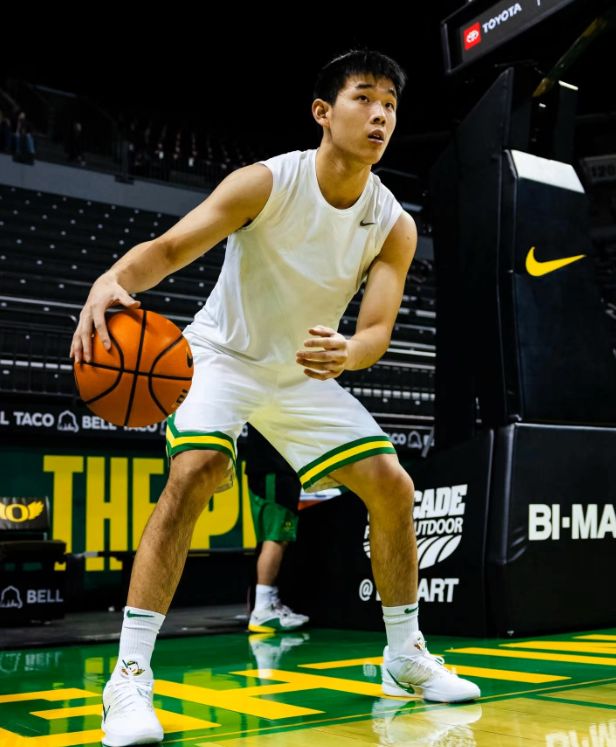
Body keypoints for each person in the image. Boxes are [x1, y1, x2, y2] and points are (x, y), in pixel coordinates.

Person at [71, 49, 480, 747]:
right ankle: (129, 680)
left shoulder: (394, 224)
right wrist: (113, 279)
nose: (380, 115)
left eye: (390, 104)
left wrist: (349, 352)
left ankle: (405, 655)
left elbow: (376, 330)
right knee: (197, 471)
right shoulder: (266, 182)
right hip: (221, 357)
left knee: (394, 486)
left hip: (300, 373)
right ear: (323, 111)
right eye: (364, 97)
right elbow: (171, 248)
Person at [244, 423, 309, 632]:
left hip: (272, 468)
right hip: (274, 469)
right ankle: (263, 609)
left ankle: (269, 603)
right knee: (276, 538)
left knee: (274, 538)